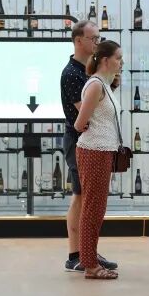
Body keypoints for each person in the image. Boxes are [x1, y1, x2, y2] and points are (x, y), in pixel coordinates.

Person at [60, 20, 117, 273]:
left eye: (99, 38)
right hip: (81, 141)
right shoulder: (72, 74)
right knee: (82, 196)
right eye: (93, 38)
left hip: (94, 143)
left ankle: (88, 252)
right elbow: (85, 117)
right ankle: (77, 254)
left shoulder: (91, 73)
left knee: (90, 199)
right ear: (78, 40)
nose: (97, 42)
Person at [73, 40, 124, 280]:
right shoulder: (95, 85)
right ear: (105, 60)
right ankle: (90, 264)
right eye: (118, 58)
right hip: (93, 150)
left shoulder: (104, 84)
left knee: (97, 208)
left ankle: (90, 258)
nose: (121, 63)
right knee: (93, 208)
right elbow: (79, 123)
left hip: (102, 150)